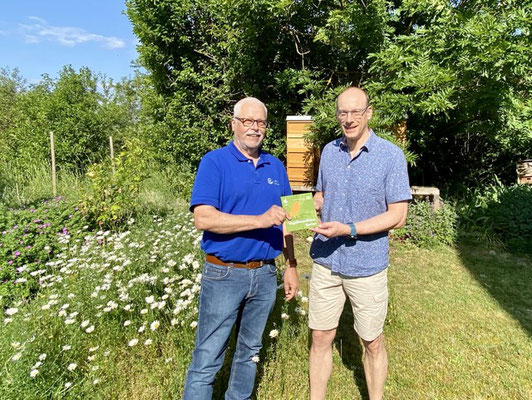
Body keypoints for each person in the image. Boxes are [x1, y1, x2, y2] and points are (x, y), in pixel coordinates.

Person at [182, 97, 299, 400]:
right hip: (224, 273)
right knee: (208, 356)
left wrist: (291, 266)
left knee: (250, 351)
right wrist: (259, 220)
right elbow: (203, 218)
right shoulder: (215, 162)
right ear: (233, 123)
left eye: (260, 122)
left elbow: (288, 221)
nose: (254, 128)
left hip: (263, 275)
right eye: (247, 121)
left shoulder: (276, 166)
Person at [308, 87, 411, 400]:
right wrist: (303, 210)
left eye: (355, 112)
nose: (348, 119)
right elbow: (321, 196)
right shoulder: (328, 151)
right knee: (320, 337)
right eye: (343, 112)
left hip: (366, 266)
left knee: (371, 341)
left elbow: (398, 215)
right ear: (337, 115)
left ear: (369, 113)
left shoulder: (390, 156)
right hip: (326, 261)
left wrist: (348, 228)